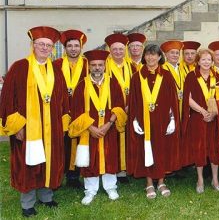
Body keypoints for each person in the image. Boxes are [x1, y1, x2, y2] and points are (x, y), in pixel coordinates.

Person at [0, 26, 69, 217]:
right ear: (33, 45)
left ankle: (46, 197)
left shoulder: (56, 70)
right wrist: (17, 126)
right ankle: (27, 203)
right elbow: (7, 98)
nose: (45, 48)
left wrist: (62, 123)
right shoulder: (20, 67)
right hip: (29, 127)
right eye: (41, 44)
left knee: (49, 161)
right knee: (28, 164)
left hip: (52, 126)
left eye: (48, 45)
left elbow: (63, 98)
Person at [68, 50, 127, 205]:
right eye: (93, 65)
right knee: (90, 159)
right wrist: (91, 128)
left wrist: (108, 124)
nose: (97, 68)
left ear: (104, 66)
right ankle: (90, 190)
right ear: (89, 67)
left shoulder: (113, 83)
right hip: (89, 131)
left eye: (100, 65)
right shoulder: (82, 86)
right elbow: (77, 110)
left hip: (109, 129)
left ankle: (111, 187)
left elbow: (119, 106)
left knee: (110, 157)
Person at [127, 44, 181, 198]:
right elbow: (134, 101)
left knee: (161, 149)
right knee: (146, 149)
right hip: (144, 120)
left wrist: (172, 119)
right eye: (148, 54)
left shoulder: (166, 75)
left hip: (162, 119)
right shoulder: (137, 77)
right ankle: (149, 183)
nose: (150, 57)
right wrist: (135, 120)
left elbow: (172, 100)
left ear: (159, 57)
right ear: (144, 57)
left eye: (154, 54)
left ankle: (161, 182)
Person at [182, 49, 219, 193]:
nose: (206, 62)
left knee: (214, 148)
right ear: (198, 61)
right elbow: (187, 98)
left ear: (212, 62)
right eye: (203, 59)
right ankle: (200, 179)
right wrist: (202, 111)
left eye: (209, 60)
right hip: (197, 118)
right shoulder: (191, 76)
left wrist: (212, 113)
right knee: (199, 148)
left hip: (213, 118)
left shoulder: (217, 76)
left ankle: (215, 179)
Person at [53, 29, 88, 189]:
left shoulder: (88, 64)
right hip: (60, 110)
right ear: (65, 48)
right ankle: (57, 175)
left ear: (81, 48)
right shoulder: (56, 65)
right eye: (70, 46)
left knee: (79, 143)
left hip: (82, 110)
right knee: (61, 145)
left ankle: (74, 176)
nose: (73, 49)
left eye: (76, 46)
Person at [104, 33, 136, 183]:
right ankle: (112, 169)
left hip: (129, 108)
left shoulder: (132, 66)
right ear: (110, 50)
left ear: (125, 50)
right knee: (112, 141)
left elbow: (137, 87)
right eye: (114, 49)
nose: (118, 52)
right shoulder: (104, 65)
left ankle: (124, 171)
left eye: (121, 49)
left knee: (127, 139)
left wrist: (130, 105)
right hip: (109, 108)